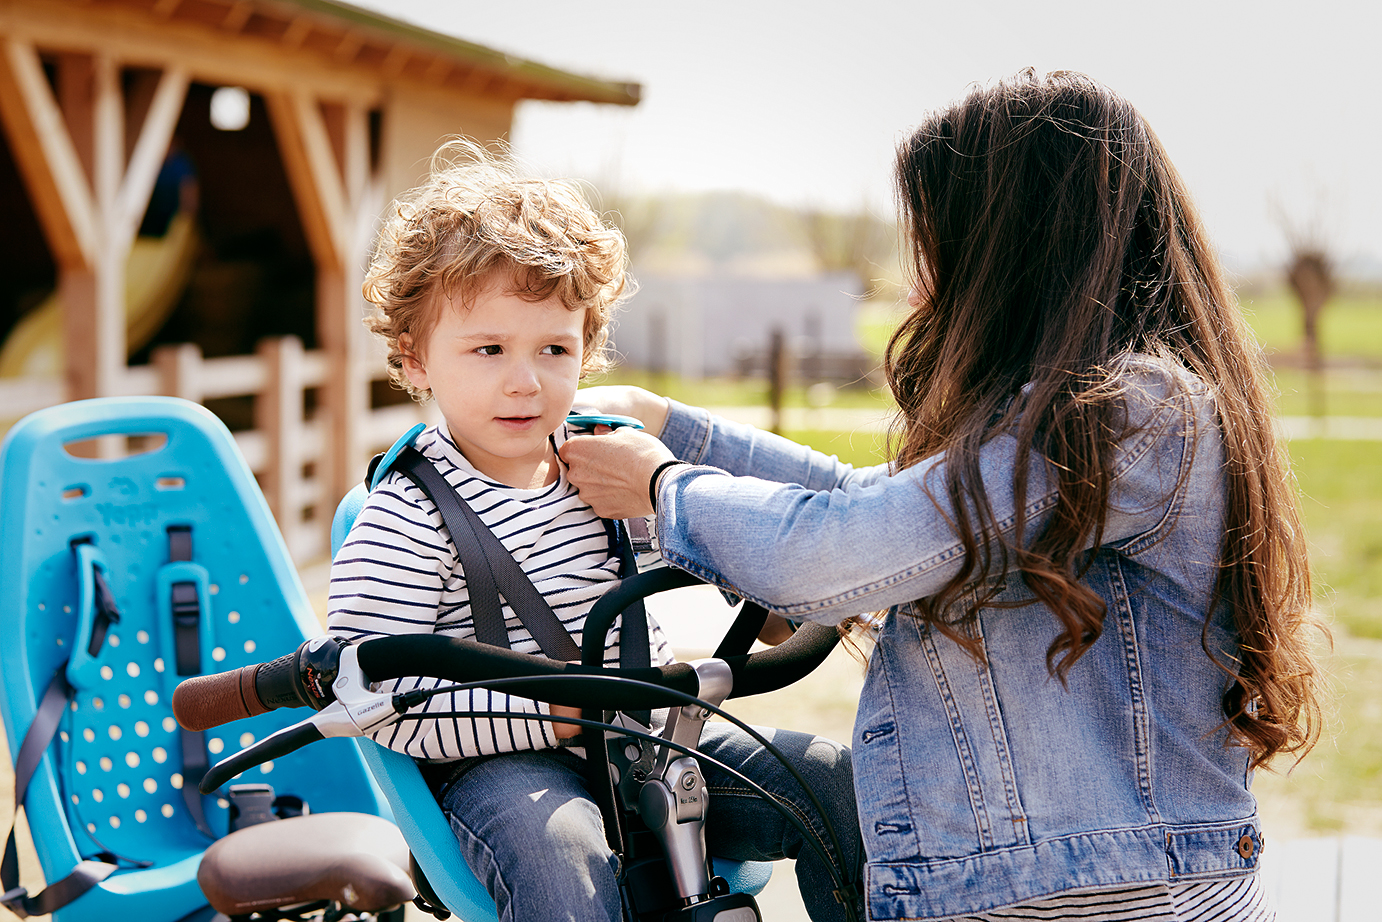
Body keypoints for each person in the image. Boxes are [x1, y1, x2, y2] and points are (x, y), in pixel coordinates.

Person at [561, 70, 1322, 922]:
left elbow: (846, 546)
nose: (919, 287)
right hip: (1077, 886)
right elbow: (873, 509)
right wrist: (671, 424)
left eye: (935, 248)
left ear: (1011, 251)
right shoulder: (1086, 416)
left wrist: (664, 487)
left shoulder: (1122, 417)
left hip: (1108, 900)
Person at [326, 141, 863, 922]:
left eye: (554, 349)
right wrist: (558, 712)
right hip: (506, 767)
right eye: (489, 350)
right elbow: (377, 693)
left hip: (651, 736)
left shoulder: (604, 467)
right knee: (564, 853)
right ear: (415, 359)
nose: (525, 380)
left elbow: (712, 551)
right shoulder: (408, 511)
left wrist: (767, 587)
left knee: (836, 782)